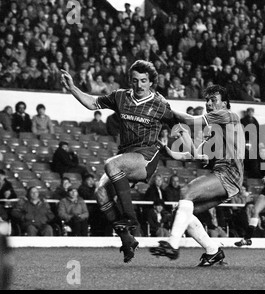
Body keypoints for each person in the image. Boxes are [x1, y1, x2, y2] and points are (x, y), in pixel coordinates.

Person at [60, 60, 173, 263]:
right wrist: (73, 88)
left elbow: (179, 123)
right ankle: (127, 239)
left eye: (144, 81)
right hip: (127, 155)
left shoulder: (160, 104)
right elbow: (92, 103)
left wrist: (184, 146)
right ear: (130, 80)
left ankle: (131, 218)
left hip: (147, 157)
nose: (139, 85)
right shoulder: (120, 96)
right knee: (101, 193)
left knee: (112, 165)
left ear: (151, 83)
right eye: (135, 80)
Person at [149, 85, 245, 266]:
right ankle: (213, 251)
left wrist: (165, 106)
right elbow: (195, 154)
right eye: (207, 100)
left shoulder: (228, 115)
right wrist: (168, 149)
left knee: (186, 191)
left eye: (213, 100)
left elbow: (191, 120)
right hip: (224, 174)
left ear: (224, 103)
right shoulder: (214, 129)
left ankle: (172, 245)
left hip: (229, 173)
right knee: (182, 210)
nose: (209, 103)